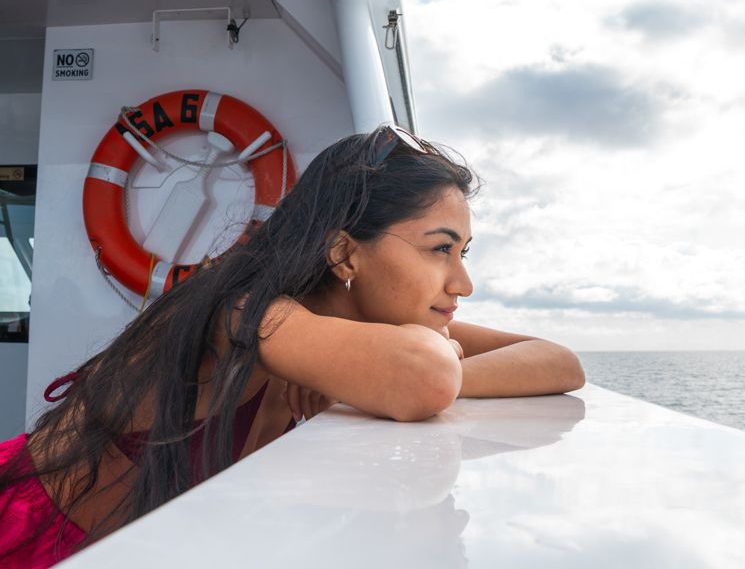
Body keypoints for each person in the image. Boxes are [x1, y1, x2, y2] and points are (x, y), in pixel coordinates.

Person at [0, 124, 585, 566]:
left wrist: (430, 368)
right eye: (440, 249)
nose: (463, 283)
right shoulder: (244, 311)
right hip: (24, 536)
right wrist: (423, 366)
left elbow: (560, 361)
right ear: (345, 254)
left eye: (464, 253)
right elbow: (424, 379)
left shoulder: (352, 329)